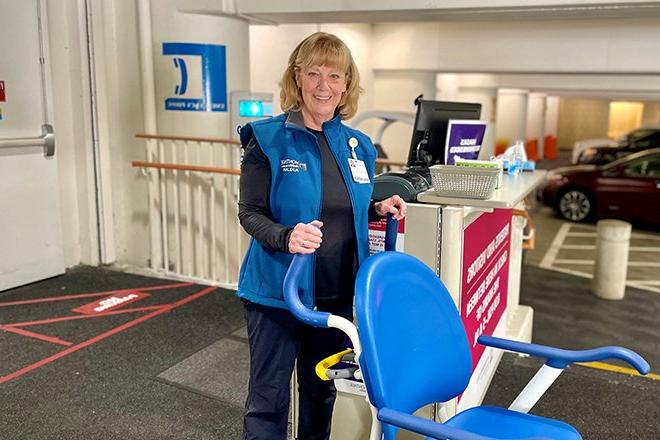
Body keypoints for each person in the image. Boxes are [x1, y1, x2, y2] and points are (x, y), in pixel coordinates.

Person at [236, 32, 406, 440]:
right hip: (279, 292)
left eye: (334, 75)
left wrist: (376, 207)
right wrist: (285, 236)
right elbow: (250, 213)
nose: (323, 85)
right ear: (297, 78)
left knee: (319, 391)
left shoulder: (359, 145)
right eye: (313, 73)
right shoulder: (266, 138)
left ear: (347, 83)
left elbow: (345, 202)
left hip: (336, 296)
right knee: (268, 400)